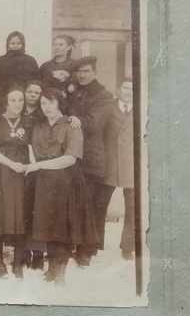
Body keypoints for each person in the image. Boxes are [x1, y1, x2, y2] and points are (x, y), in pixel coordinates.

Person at [28, 88, 98, 283]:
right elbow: (34, 151)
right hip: (44, 183)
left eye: (50, 102)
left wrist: (39, 165)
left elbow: (69, 159)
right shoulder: (38, 126)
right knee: (47, 227)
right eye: (42, 103)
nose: (46, 107)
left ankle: (61, 273)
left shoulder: (71, 125)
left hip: (66, 182)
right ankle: (51, 270)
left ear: (59, 102)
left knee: (63, 229)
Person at [67, 55, 117, 264]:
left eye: (86, 71)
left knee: (91, 206)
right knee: (78, 204)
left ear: (94, 72)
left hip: (93, 158)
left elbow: (94, 124)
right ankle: (80, 246)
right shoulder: (76, 92)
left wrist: (75, 119)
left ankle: (87, 251)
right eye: (79, 71)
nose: (82, 74)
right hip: (76, 156)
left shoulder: (103, 96)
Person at [0, 87, 30, 278]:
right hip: (1, 172)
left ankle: (18, 262)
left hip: (22, 173)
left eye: (20, 100)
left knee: (21, 215)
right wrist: (12, 164)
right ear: (6, 102)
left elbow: (34, 146)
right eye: (13, 100)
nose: (17, 104)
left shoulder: (29, 122)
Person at [105, 79, 137, 260]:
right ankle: (89, 247)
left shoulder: (141, 109)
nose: (129, 91)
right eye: (125, 88)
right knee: (99, 205)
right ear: (119, 89)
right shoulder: (109, 108)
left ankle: (127, 247)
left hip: (131, 164)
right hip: (109, 163)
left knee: (132, 208)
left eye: (133, 89)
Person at [20, 79, 45, 270]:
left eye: (37, 93)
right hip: (18, 165)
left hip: (37, 165)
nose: (33, 95)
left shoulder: (43, 115)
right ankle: (23, 251)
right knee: (22, 209)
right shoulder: (17, 110)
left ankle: (37, 252)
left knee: (36, 209)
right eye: (30, 91)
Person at [0, 31, 39, 96]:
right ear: (8, 44)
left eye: (18, 43)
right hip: (4, 96)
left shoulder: (30, 60)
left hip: (24, 96)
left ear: (23, 44)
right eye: (12, 43)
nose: (15, 45)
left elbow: (36, 81)